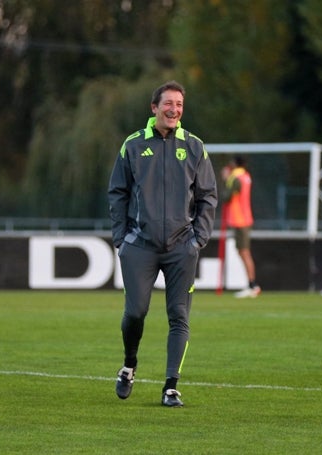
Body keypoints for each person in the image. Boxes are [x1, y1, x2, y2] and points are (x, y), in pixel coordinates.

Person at [107, 80, 217, 407]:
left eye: (179, 105)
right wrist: (121, 238)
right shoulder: (133, 145)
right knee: (135, 312)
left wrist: (198, 238)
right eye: (168, 104)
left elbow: (208, 196)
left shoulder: (195, 146)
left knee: (179, 315)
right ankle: (129, 365)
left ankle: (171, 386)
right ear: (154, 108)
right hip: (139, 245)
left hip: (183, 246)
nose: (174, 110)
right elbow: (117, 193)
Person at [220, 155, 261, 298]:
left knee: (244, 252)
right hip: (244, 217)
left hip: (240, 219)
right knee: (243, 252)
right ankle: (251, 284)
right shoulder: (245, 176)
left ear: (234, 164)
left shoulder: (235, 178)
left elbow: (226, 197)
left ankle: (252, 285)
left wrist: (225, 180)